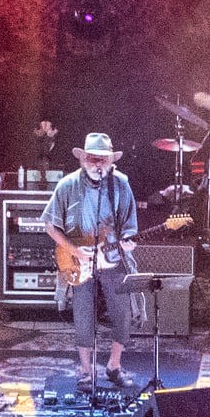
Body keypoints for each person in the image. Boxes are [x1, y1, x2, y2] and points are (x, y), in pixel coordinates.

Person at [46, 132, 139, 393]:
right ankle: (86, 371)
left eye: (102, 159)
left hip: (112, 257)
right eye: (92, 159)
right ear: (83, 159)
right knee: (83, 315)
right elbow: (50, 224)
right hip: (79, 260)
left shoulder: (121, 184)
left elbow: (130, 226)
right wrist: (74, 249)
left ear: (110, 161)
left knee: (123, 311)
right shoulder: (67, 185)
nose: (97, 164)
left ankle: (114, 365)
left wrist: (128, 240)